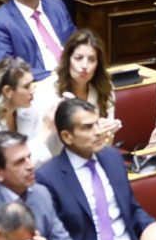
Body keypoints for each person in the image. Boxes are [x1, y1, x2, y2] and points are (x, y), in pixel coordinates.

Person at [37, 98, 153, 240]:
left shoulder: (113, 158)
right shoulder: (48, 177)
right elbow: (52, 239)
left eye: (97, 123)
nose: (98, 131)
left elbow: (132, 209)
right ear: (67, 136)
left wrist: (155, 229)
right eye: (87, 127)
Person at [29, 29, 120, 161]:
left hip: (92, 159)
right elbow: (38, 141)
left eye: (91, 60)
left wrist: (107, 133)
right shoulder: (47, 90)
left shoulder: (105, 88)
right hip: (52, 161)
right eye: (78, 58)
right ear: (68, 60)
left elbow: (106, 146)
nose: (84, 66)